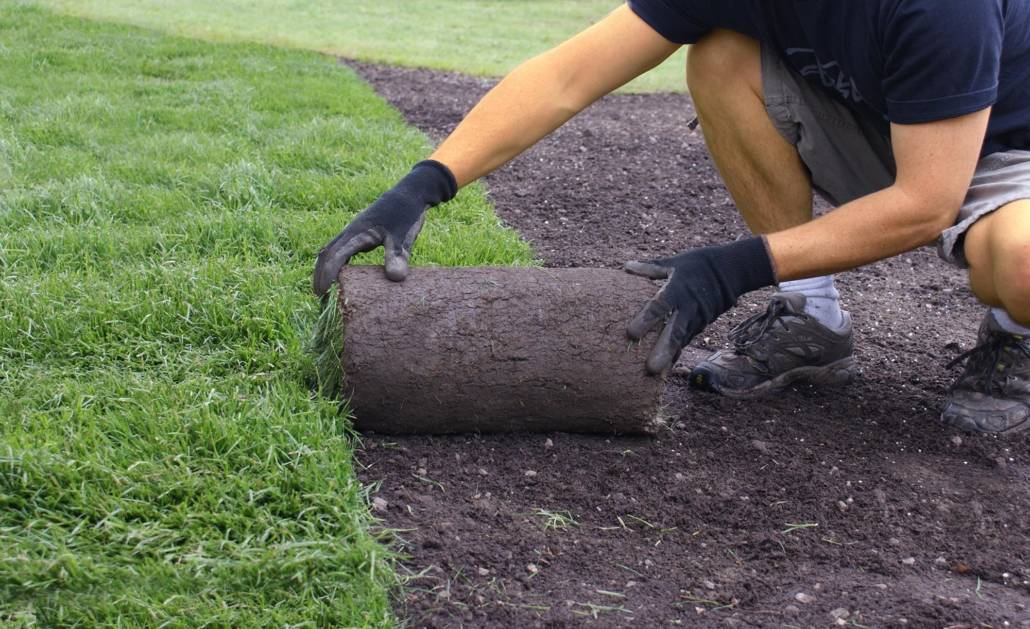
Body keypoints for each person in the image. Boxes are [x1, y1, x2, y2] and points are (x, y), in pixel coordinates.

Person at [313, 1, 1030, 435]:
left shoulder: (941, 8)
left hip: (1005, 154)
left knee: (1018, 263)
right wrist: (426, 182)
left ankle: (1014, 339)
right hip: (885, 122)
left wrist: (734, 268)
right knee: (719, 57)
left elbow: (926, 203)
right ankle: (812, 320)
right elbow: (569, 74)